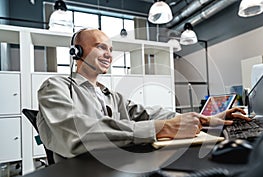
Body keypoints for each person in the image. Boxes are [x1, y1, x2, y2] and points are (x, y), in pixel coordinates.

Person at [37, 28, 250, 160]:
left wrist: (206, 119)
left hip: (116, 165)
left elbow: (149, 114)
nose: (109, 55)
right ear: (77, 52)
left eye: (111, 49)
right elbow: (76, 132)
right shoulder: (55, 87)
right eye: (101, 47)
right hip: (79, 176)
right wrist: (162, 128)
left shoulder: (111, 95)